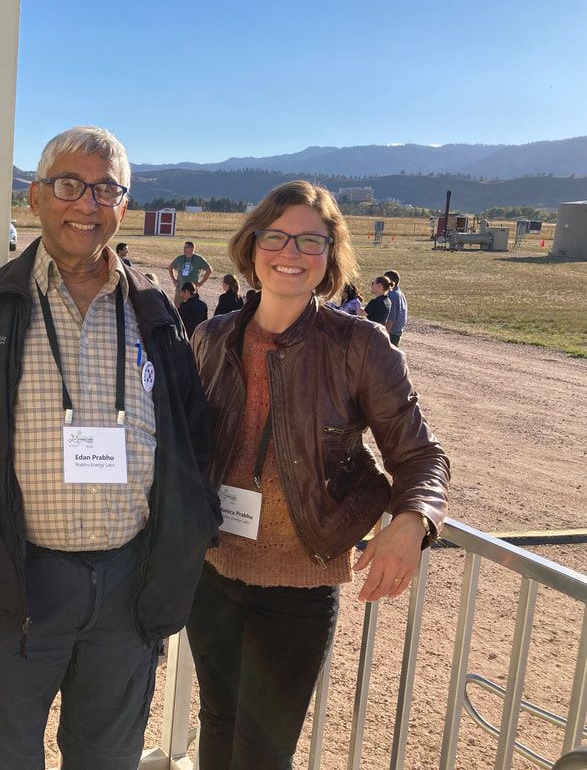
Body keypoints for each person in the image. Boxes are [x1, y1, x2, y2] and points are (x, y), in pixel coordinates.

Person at [0, 126, 220, 770]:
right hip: (15, 588)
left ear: (123, 207)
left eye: (106, 190)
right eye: (69, 185)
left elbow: (192, 444)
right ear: (37, 196)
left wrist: (183, 550)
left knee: (107, 758)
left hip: (127, 591)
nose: (86, 204)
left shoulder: (155, 312)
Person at [188, 180, 449, 770]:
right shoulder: (211, 338)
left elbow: (421, 455)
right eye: (277, 236)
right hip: (212, 573)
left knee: (262, 750)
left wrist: (412, 522)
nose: (292, 252)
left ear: (331, 255)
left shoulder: (359, 346)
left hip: (299, 585)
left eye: (312, 240)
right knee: (216, 723)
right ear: (251, 246)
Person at [385, 269, 408, 346]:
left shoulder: (392, 296)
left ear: (390, 282)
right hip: (397, 333)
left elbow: (390, 318)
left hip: (391, 334)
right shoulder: (400, 294)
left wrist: (384, 335)